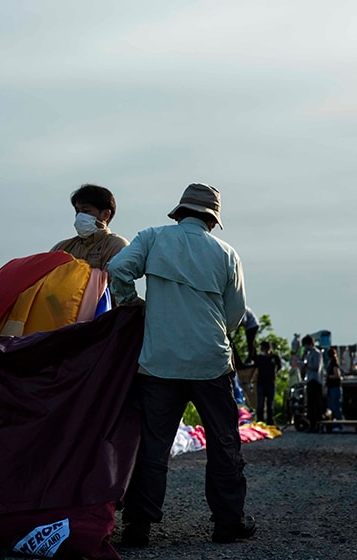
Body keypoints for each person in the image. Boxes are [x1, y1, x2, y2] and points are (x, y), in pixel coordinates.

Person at [107, 182, 255, 547]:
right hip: (211, 362)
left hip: (159, 362)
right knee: (223, 443)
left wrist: (132, 304)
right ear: (211, 219)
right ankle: (228, 522)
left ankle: (138, 525)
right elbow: (235, 315)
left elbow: (118, 268)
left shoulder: (153, 238)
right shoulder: (226, 253)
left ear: (179, 212)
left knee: (153, 445)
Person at [50, 184, 129, 270]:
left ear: (105, 215)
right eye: (77, 211)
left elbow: (115, 279)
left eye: (86, 211)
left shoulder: (116, 245)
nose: (80, 216)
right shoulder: (63, 248)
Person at [252, 340, 281, 425]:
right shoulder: (260, 358)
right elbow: (255, 368)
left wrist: (274, 373)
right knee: (260, 404)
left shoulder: (275, 357)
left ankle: (270, 422)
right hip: (261, 382)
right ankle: (260, 421)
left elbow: (279, 367)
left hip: (271, 382)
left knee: (270, 404)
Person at [301, 335, 324, 433]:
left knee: (315, 404)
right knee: (310, 404)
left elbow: (316, 366)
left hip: (315, 380)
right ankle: (312, 424)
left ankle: (317, 424)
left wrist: (307, 365)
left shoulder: (316, 353)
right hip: (310, 380)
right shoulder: (309, 353)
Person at [325, 347, 343, 424]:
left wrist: (328, 376)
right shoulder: (332, 364)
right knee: (332, 406)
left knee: (335, 406)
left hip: (334, 387)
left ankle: (338, 424)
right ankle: (334, 423)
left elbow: (337, 375)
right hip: (332, 387)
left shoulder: (334, 364)